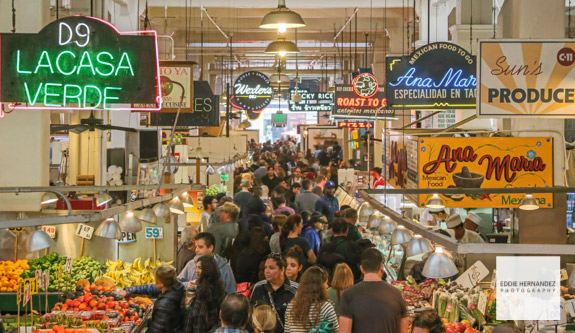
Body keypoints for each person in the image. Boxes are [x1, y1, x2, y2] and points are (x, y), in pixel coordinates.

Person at [338, 248, 408, 333]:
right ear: (381, 268)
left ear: (361, 268)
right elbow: (403, 330)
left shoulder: (348, 295)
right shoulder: (397, 294)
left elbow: (344, 331)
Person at [126, 265, 185, 333]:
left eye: (156, 278)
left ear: (160, 282)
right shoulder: (175, 289)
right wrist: (129, 290)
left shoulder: (164, 305)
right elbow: (150, 288)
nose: (155, 280)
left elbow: (157, 329)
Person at [250, 253, 298, 333]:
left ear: (282, 270)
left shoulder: (294, 289)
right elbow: (252, 313)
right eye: (265, 268)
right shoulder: (258, 287)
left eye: (271, 268)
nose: (266, 271)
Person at [284, 267, 339, 333]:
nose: (327, 286)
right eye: (325, 283)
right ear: (319, 286)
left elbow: (287, 331)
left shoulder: (291, 307)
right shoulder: (326, 307)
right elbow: (336, 331)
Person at [185, 256, 226, 333]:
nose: (196, 271)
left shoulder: (205, 291)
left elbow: (199, 317)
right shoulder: (216, 286)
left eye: (200, 268)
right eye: (196, 267)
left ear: (207, 269)